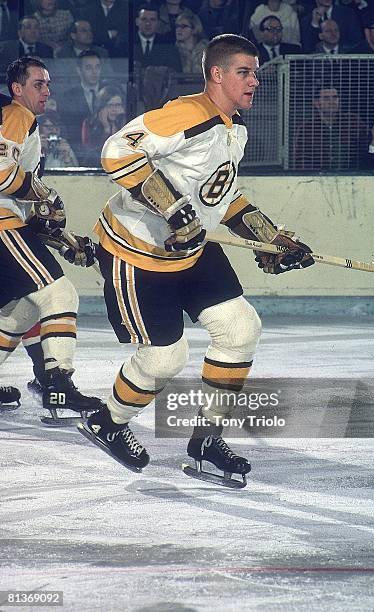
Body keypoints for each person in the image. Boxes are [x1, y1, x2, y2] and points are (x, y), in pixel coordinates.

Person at [77, 34, 314, 487]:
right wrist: (172, 209)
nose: (255, 81)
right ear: (217, 74)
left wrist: (269, 237)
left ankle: (206, 440)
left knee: (241, 329)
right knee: (164, 360)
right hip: (139, 253)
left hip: (193, 250)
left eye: (256, 73)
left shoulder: (234, 128)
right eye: (244, 72)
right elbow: (116, 151)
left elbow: (219, 198)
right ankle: (106, 421)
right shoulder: (187, 114)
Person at [0, 57, 101, 420]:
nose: (47, 90)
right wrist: (42, 193)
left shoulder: (20, 120)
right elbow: (1, 174)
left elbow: (29, 209)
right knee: (59, 294)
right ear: (18, 89)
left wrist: (67, 241)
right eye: (38, 84)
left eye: (48, 84)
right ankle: (58, 386)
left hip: (11, 222)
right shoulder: (16, 114)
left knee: (21, 309)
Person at [294, 85, 368, 170]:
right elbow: (301, 160)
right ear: (316, 103)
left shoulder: (353, 122)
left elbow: (365, 149)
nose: (331, 102)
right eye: (326, 98)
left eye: (335, 98)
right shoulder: (306, 129)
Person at [81, 85, 125, 166]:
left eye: (118, 105)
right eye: (110, 105)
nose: (114, 109)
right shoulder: (89, 123)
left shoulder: (126, 124)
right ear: (101, 106)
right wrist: (106, 129)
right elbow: (90, 152)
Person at [175, 8, 209, 73]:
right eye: (177, 26)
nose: (178, 29)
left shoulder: (207, 50)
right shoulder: (174, 50)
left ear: (194, 29)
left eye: (183, 26)